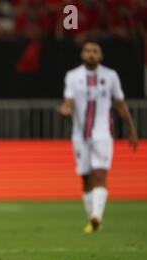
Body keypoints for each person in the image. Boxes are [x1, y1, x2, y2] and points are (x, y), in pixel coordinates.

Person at [57, 40, 138, 233]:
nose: (91, 54)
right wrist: (65, 109)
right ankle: (92, 220)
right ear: (82, 54)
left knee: (100, 174)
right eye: (87, 50)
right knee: (85, 178)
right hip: (79, 135)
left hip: (102, 134)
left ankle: (96, 216)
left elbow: (120, 103)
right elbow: (69, 100)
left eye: (95, 51)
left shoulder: (110, 76)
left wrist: (131, 128)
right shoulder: (73, 76)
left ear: (100, 56)